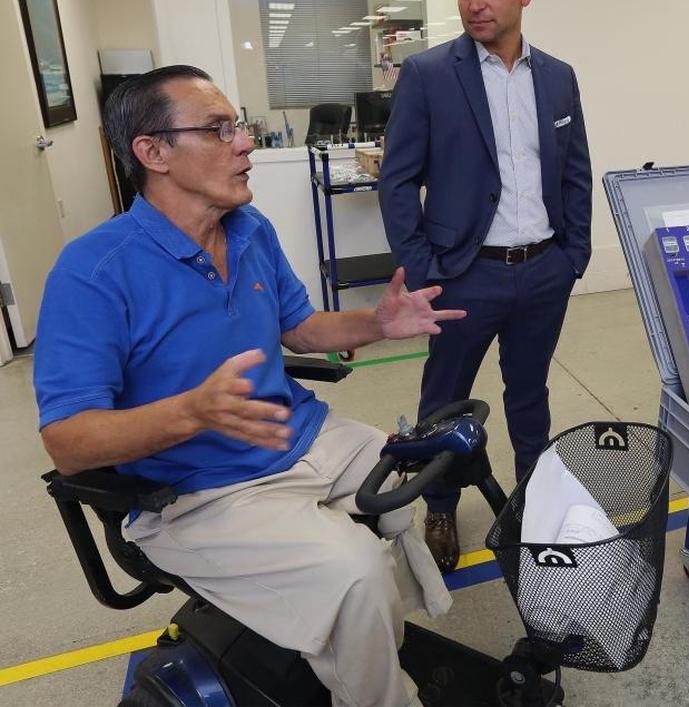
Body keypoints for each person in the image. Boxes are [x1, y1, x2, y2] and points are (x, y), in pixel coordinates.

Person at [33, 65, 466, 707]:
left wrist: (377, 322)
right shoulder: (94, 271)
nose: (244, 144)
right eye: (218, 129)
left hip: (299, 436)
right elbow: (67, 443)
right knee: (355, 572)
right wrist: (191, 412)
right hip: (197, 494)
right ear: (153, 153)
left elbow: (303, 327)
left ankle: (364, 637)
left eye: (237, 126)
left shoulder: (249, 229)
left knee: (413, 467)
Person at [380, 0, 592, 572]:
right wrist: (422, 270)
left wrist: (573, 254)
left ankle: (532, 503)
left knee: (530, 394)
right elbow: (397, 180)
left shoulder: (557, 79)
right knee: (444, 401)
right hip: (464, 275)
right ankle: (440, 503)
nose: (476, 4)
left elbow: (575, 170)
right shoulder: (427, 75)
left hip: (544, 270)